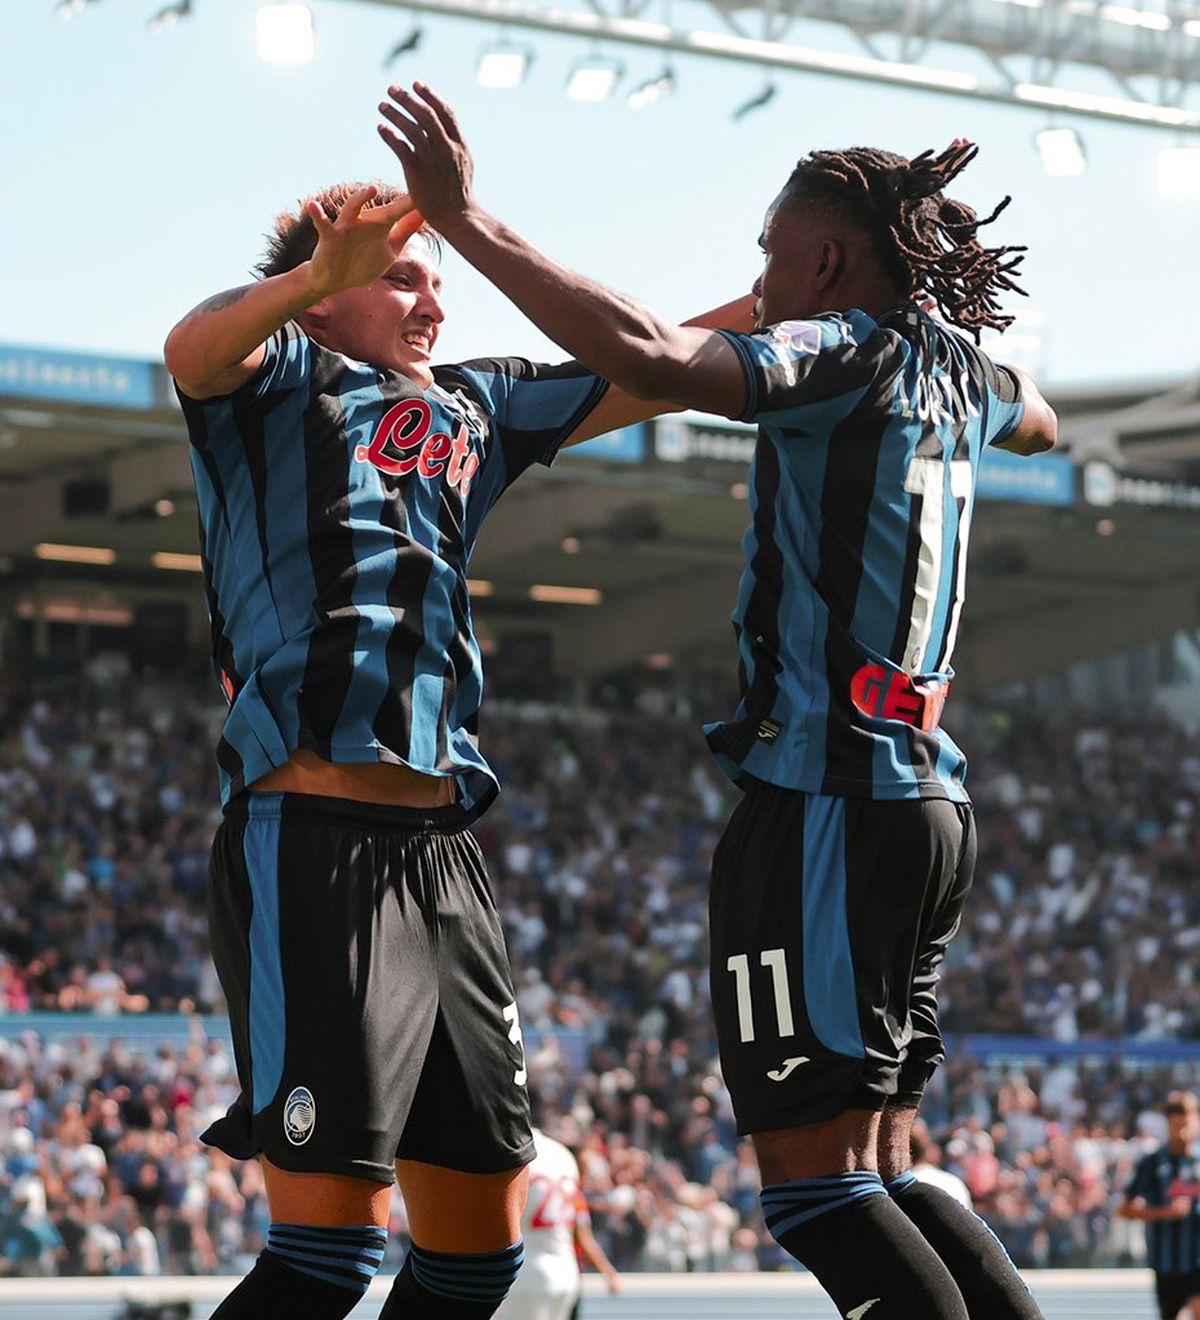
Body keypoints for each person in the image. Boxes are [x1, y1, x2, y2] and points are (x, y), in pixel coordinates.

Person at [378, 82, 1058, 1320]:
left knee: (814, 1188)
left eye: (769, 255)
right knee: (888, 1163)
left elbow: (651, 358)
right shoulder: (965, 372)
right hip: (928, 806)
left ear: (830, 260)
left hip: (823, 801)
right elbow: (1041, 419)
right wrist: (981, 386)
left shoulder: (841, 350)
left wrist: (466, 222)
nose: (760, 278)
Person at [163, 182, 750, 1320]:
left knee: (480, 1260)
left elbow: (662, 359)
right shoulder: (278, 377)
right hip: (313, 841)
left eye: (439, 280)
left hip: (446, 855)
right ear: (327, 301)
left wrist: (809, 300)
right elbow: (191, 349)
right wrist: (306, 282)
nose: (431, 300)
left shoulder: (480, 409)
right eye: (400, 277)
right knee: (325, 1260)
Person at [495, 1126, 618, 1320]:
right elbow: (583, 1235)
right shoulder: (562, 1159)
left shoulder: (511, 1149)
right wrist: (608, 1271)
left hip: (524, 1276)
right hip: (566, 1275)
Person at [1117, 1091, 1200, 1320]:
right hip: (1166, 1264)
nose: (1181, 1130)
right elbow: (1124, 1209)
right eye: (1174, 1125)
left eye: (1185, 1123)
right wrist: (1164, 1213)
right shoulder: (1153, 1163)